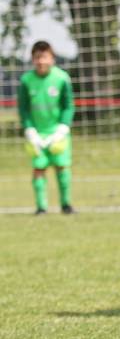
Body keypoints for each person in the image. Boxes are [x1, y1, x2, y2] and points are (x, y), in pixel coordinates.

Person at [17, 40, 75, 215]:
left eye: (44, 57)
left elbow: (68, 105)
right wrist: (29, 129)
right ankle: (41, 207)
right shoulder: (26, 80)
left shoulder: (62, 78)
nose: (41, 61)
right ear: (32, 59)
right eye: (37, 58)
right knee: (38, 168)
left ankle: (66, 205)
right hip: (37, 133)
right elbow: (23, 108)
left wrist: (63, 127)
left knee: (62, 167)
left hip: (57, 132)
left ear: (52, 59)